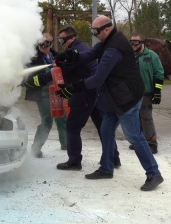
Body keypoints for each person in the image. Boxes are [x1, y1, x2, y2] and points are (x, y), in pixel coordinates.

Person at [55, 15, 164, 191]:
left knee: (134, 136)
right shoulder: (108, 40)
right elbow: (90, 54)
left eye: (95, 31)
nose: (94, 34)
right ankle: (106, 168)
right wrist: (72, 55)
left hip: (127, 99)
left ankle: (154, 173)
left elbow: (98, 79)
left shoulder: (114, 48)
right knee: (106, 130)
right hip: (115, 98)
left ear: (106, 29)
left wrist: (75, 87)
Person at [25, 27, 120, 170]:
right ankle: (114, 158)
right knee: (102, 127)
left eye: (62, 40)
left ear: (71, 38)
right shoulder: (80, 48)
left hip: (83, 94)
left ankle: (74, 162)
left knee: (72, 126)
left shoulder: (76, 52)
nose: (61, 43)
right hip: (93, 93)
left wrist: (34, 81)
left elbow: (60, 72)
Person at [24, 33, 67, 158]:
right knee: (47, 120)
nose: (43, 45)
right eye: (40, 43)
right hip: (42, 93)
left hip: (57, 91)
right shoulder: (33, 58)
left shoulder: (56, 56)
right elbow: (30, 80)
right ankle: (36, 149)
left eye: (46, 43)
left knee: (61, 117)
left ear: (51, 44)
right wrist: (48, 76)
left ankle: (65, 143)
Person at [129, 33, 164, 154]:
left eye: (136, 42)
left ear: (142, 43)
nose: (133, 44)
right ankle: (139, 142)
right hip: (132, 93)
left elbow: (159, 73)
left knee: (146, 117)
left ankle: (152, 143)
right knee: (134, 117)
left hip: (146, 93)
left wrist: (157, 91)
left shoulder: (151, 56)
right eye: (131, 42)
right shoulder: (130, 56)